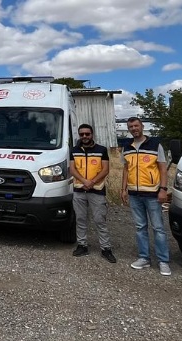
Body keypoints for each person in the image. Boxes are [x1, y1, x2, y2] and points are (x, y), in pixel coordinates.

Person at [120, 117, 171, 276]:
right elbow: (126, 169)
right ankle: (144, 258)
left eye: (136, 125)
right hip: (135, 195)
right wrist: (123, 189)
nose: (134, 128)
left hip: (152, 194)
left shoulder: (155, 145)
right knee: (140, 227)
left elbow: (163, 169)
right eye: (130, 126)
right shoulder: (126, 147)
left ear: (142, 126)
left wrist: (163, 189)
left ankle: (163, 261)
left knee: (158, 228)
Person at [70, 123, 115, 263]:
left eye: (87, 134)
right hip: (79, 190)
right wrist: (84, 181)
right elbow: (72, 169)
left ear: (92, 134)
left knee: (100, 220)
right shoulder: (73, 150)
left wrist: (92, 182)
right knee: (81, 219)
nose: (84, 136)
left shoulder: (101, 149)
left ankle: (106, 248)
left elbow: (105, 169)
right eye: (82, 134)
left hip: (97, 190)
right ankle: (82, 245)